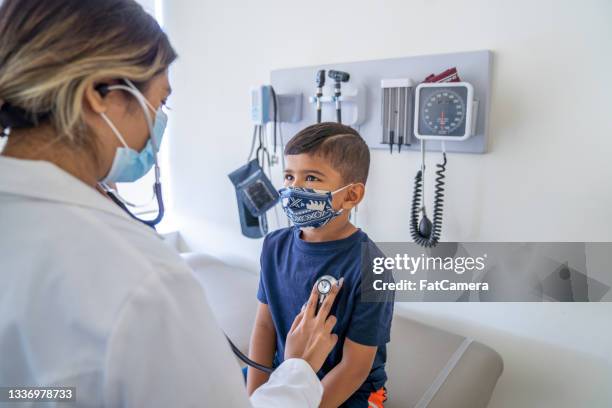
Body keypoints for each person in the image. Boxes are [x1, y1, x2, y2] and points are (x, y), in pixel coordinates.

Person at [0, 1, 339, 406]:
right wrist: (299, 370)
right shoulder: (142, 278)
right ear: (99, 94)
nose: (157, 125)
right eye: (159, 102)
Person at [247, 123, 395, 407]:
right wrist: (254, 396)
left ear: (351, 195)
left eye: (312, 178)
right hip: (287, 376)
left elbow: (355, 368)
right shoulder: (273, 246)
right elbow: (264, 327)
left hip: (354, 393)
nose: (294, 189)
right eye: (289, 177)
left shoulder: (371, 266)